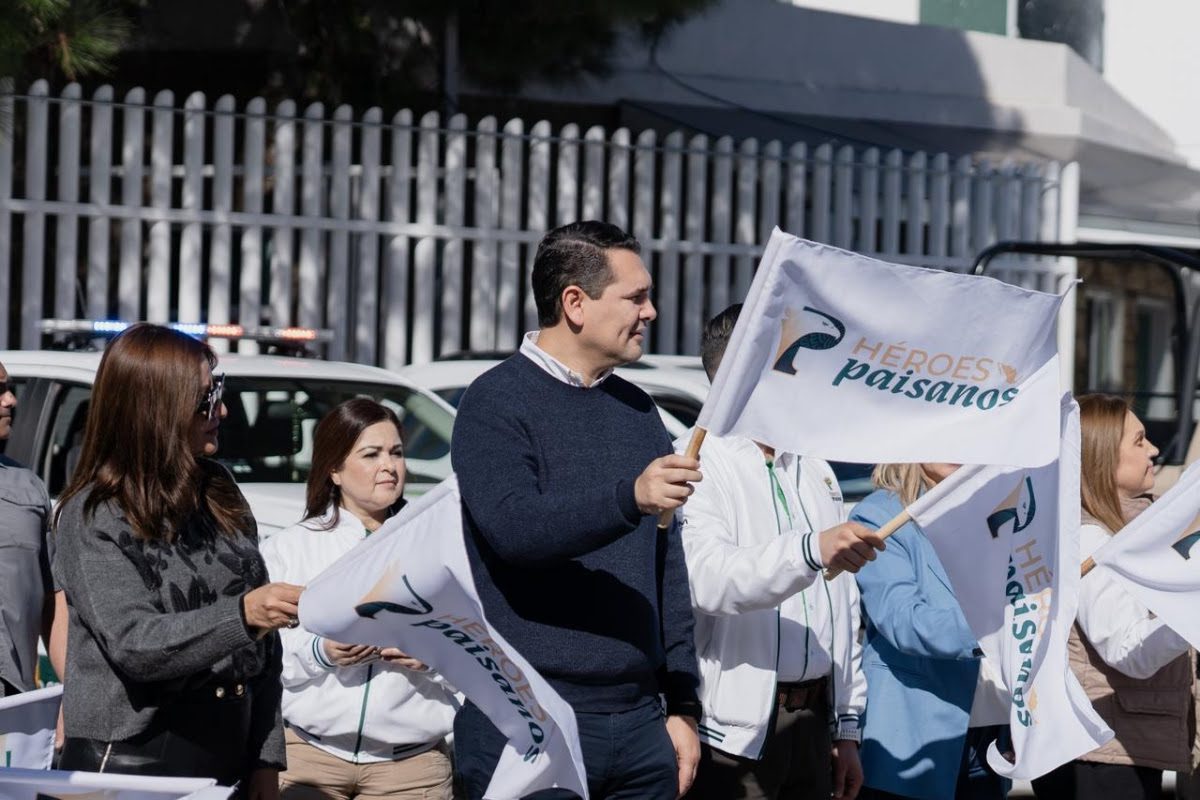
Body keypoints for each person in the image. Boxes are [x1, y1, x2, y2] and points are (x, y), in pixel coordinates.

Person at [450, 220, 704, 799]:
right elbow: (516, 530)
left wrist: (682, 705)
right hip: (526, 717)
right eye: (636, 297)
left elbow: (667, 568)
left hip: (641, 723)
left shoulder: (639, 410)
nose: (652, 312)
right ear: (575, 303)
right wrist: (627, 497)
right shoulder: (494, 401)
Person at [52, 323, 302, 799]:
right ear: (156, 407)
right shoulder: (93, 514)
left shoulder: (218, 488)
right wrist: (244, 614)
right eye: (205, 399)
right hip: (133, 761)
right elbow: (135, 645)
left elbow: (263, 653)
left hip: (229, 747)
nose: (221, 411)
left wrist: (267, 758)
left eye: (219, 392)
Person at [680, 304, 884, 800]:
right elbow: (709, 580)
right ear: (740, 375)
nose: (801, 373)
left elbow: (843, 606)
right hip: (735, 735)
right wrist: (811, 549)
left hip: (814, 724)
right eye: (789, 359)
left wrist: (845, 729)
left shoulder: (813, 464)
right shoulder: (696, 461)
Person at [261, 398, 458, 799]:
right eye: (371, 454)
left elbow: (480, 649)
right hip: (306, 757)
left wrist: (432, 656)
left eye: (396, 453)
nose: (389, 466)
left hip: (412, 768)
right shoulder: (291, 547)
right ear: (334, 469)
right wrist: (322, 652)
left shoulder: (442, 545)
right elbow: (263, 655)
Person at [1030, 394, 1192, 800]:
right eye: (1139, 441)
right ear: (1102, 457)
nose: (1153, 449)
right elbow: (1127, 649)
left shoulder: (1119, 530)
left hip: (1122, 746)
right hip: (1099, 756)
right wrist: (1191, 608)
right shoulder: (1088, 537)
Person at [851, 463, 1010, 800]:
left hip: (992, 733)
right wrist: (991, 626)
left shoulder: (993, 513)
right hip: (913, 731)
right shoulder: (880, 514)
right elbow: (902, 620)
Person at [0, 361, 54, 697]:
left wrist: (69, 702)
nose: (11, 401)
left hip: (13, 710)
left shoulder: (29, 489)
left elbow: (55, 601)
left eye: (9, 389)